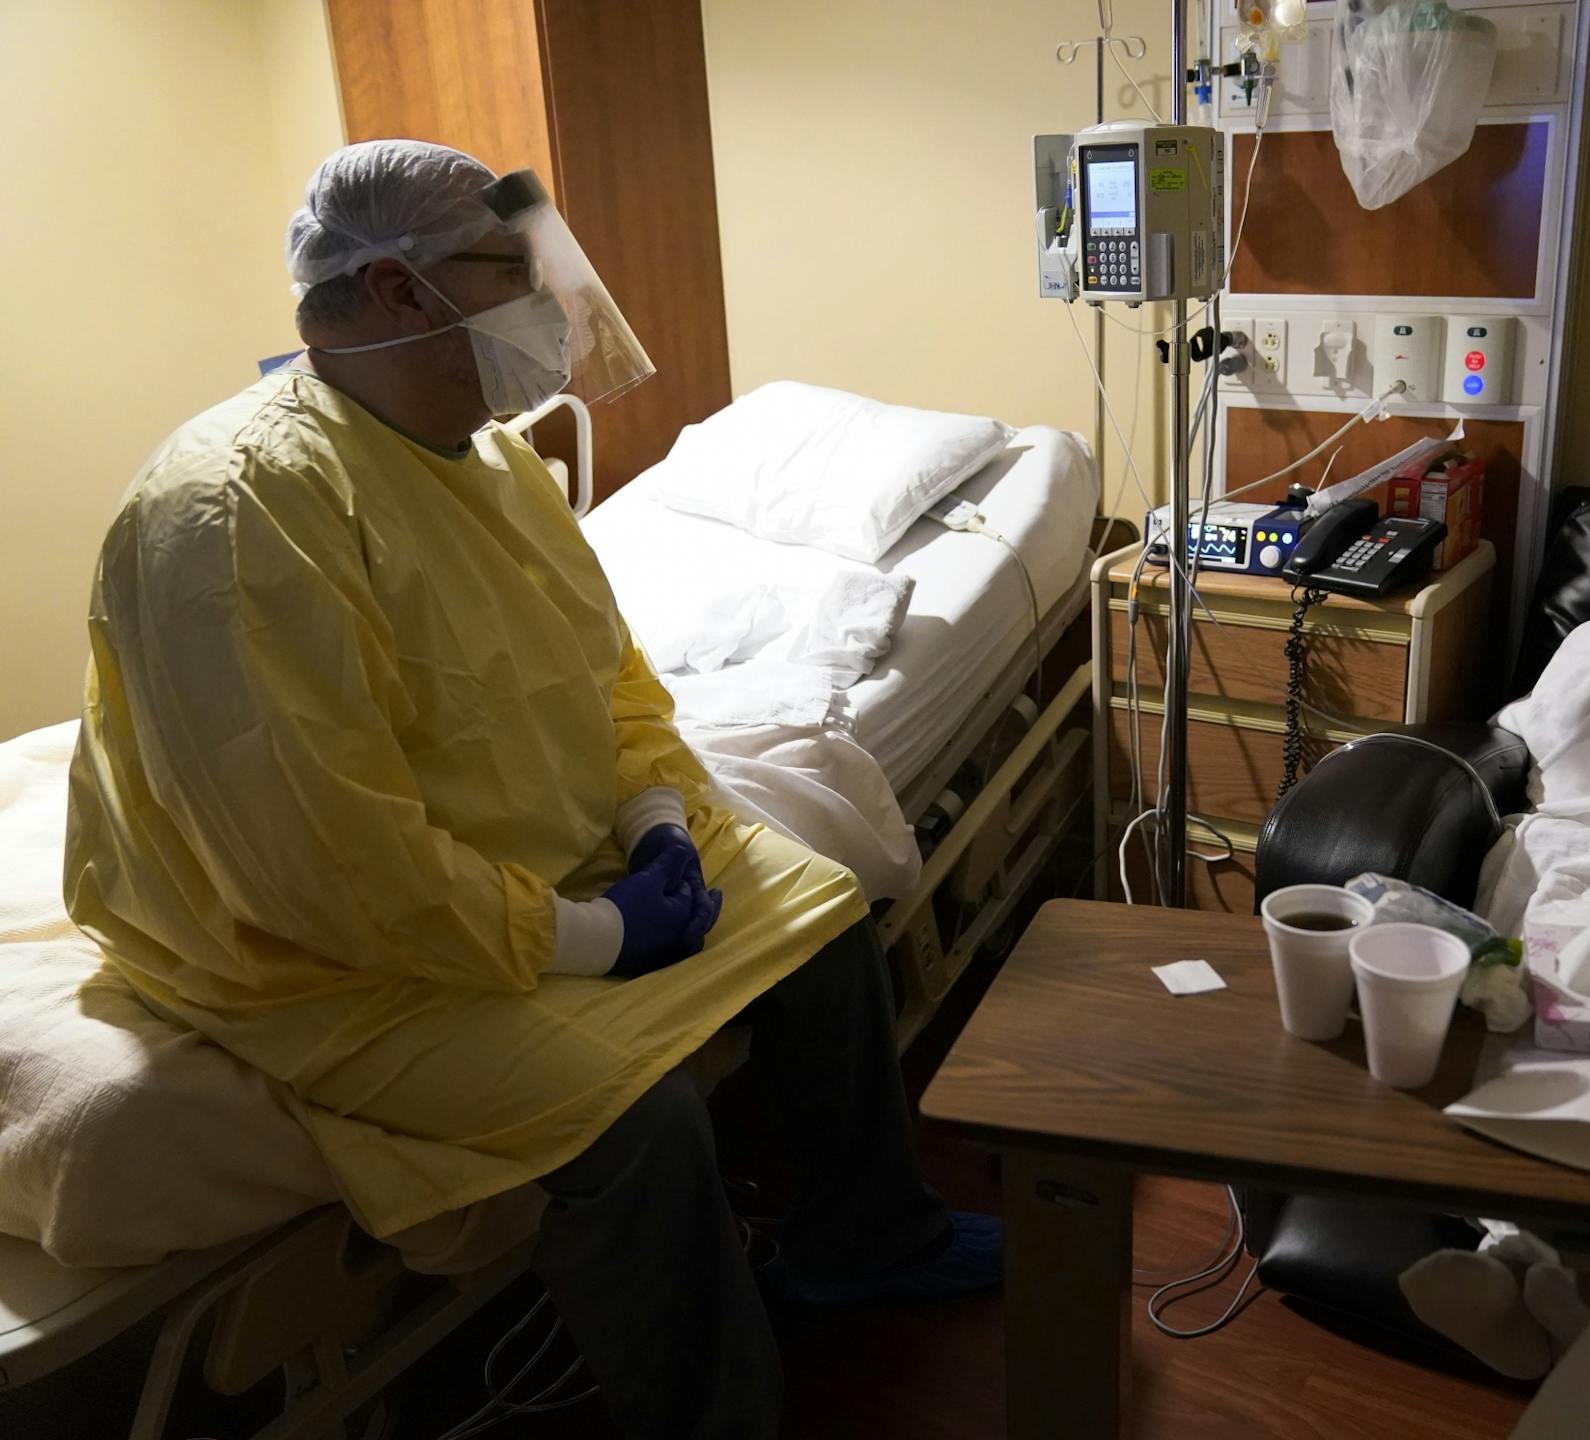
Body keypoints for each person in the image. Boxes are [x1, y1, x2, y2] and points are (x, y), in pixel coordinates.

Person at [62, 139, 992, 1440]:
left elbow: (607, 677)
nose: (554, 307)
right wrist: (596, 936)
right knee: (641, 1125)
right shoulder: (234, 514)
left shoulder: (489, 461)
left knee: (822, 917)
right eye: (519, 271)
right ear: (397, 292)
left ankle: (861, 1238)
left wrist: (655, 819)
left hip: (525, 867)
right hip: (322, 961)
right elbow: (319, 863)